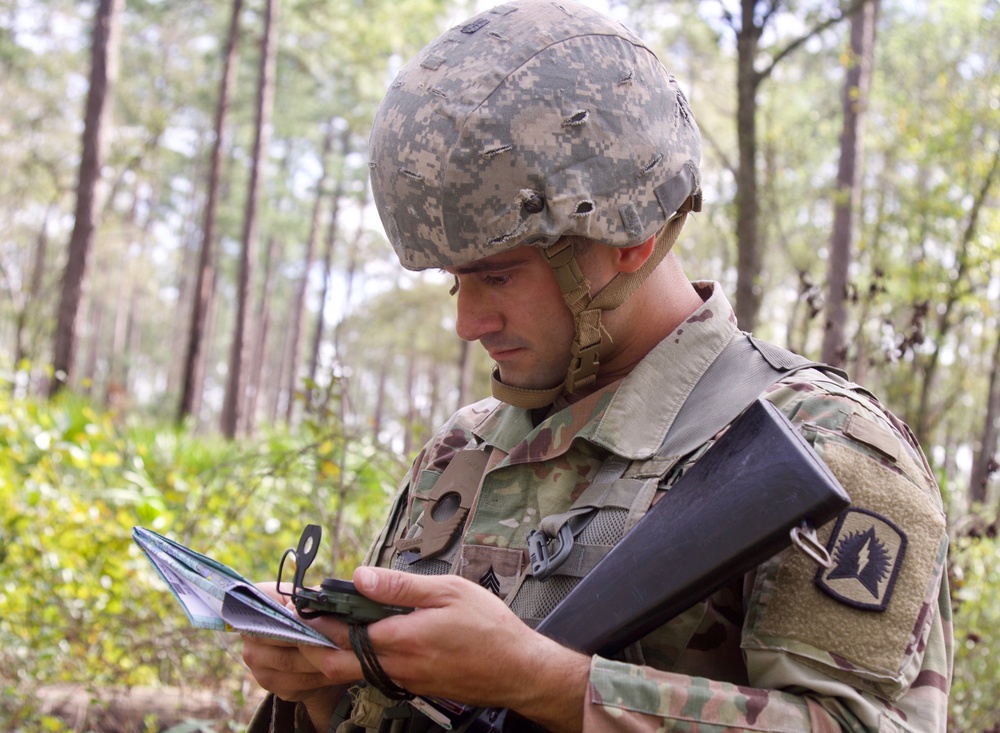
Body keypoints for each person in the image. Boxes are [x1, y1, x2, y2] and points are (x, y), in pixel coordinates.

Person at [240, 1, 952, 731]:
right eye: (456, 281)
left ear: (630, 235)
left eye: (498, 276)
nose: (466, 322)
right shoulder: (465, 451)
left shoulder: (824, 448)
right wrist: (322, 683)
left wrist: (545, 682)